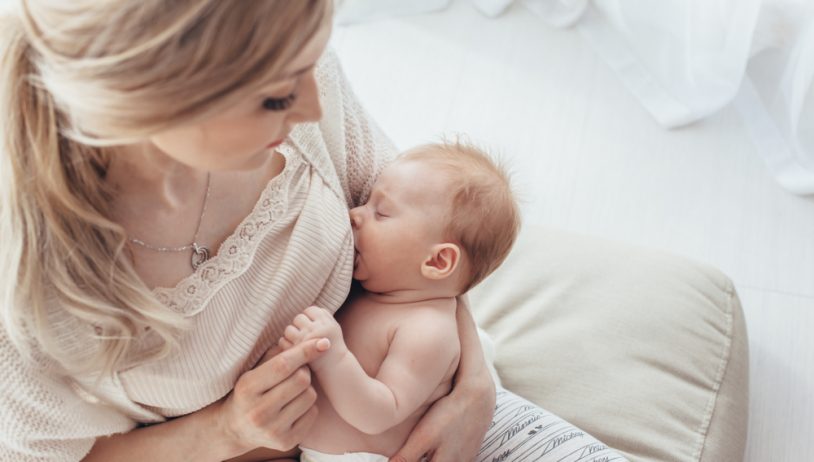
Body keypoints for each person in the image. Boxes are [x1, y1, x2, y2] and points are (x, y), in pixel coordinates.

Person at [0, 1, 626, 461]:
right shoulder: (36, 291)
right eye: (276, 98)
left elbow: (435, 236)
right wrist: (227, 430)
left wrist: (474, 388)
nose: (312, 109)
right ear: (154, 99)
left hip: (427, 400)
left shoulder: (288, 56)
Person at [279, 142, 520, 462]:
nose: (354, 214)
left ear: (437, 262)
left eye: (380, 212)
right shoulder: (380, 292)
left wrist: (332, 357)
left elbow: (378, 413)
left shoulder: (427, 330)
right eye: (366, 203)